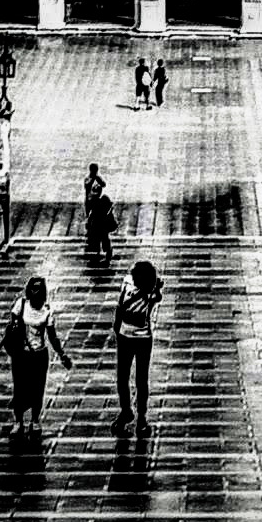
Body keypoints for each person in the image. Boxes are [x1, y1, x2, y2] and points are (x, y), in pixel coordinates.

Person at [0, 274, 73, 439]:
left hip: (39, 355)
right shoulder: (21, 304)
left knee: (37, 388)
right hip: (21, 354)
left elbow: (52, 336)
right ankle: (18, 421)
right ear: (28, 290)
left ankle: (35, 419)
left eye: (39, 288)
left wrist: (62, 354)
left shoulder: (47, 311)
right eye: (33, 288)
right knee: (19, 387)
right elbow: (12, 326)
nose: (35, 291)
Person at [113, 259, 165, 433]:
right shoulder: (129, 282)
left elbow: (157, 297)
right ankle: (128, 411)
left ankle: (140, 415)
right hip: (129, 336)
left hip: (139, 338)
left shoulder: (148, 293)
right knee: (124, 377)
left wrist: (155, 288)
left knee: (139, 379)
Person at [86, 185, 118, 267]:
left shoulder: (103, 200)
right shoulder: (95, 200)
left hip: (102, 225)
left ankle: (107, 258)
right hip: (97, 224)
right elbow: (92, 214)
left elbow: (106, 212)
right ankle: (98, 257)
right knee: (97, 242)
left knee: (105, 241)